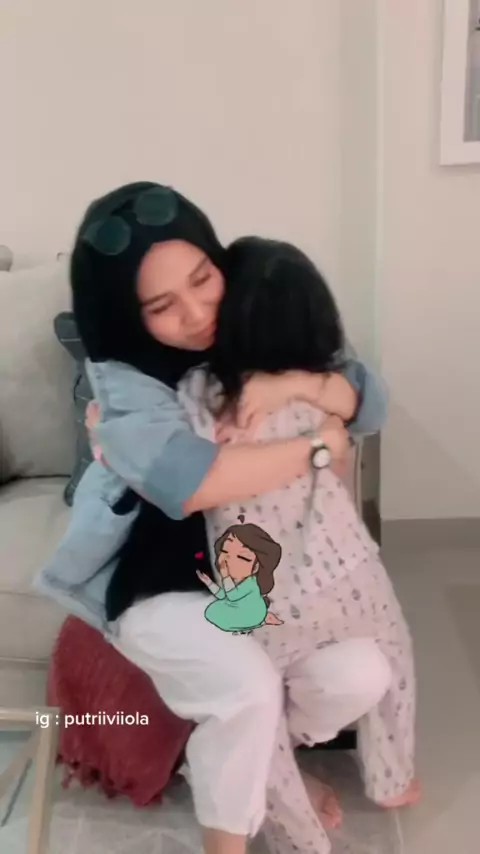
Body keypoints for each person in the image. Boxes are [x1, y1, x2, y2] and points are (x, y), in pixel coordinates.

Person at [35, 182, 390, 854]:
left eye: (203, 279)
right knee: (245, 687)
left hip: (262, 572)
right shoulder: (124, 381)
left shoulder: (255, 307)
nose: (197, 314)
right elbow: (192, 483)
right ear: (127, 313)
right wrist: (317, 446)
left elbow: (367, 401)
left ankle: (268, 768)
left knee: (362, 672)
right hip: (160, 579)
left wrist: (298, 384)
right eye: (162, 306)